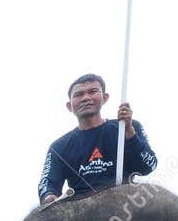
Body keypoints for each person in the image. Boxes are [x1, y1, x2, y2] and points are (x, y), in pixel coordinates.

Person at [37, 73, 158, 205]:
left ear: (105, 98)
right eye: (79, 94)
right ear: (69, 106)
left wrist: (129, 132)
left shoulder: (128, 126)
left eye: (93, 91)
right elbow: (48, 183)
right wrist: (49, 195)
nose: (86, 98)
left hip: (126, 204)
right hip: (81, 210)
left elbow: (148, 166)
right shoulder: (58, 146)